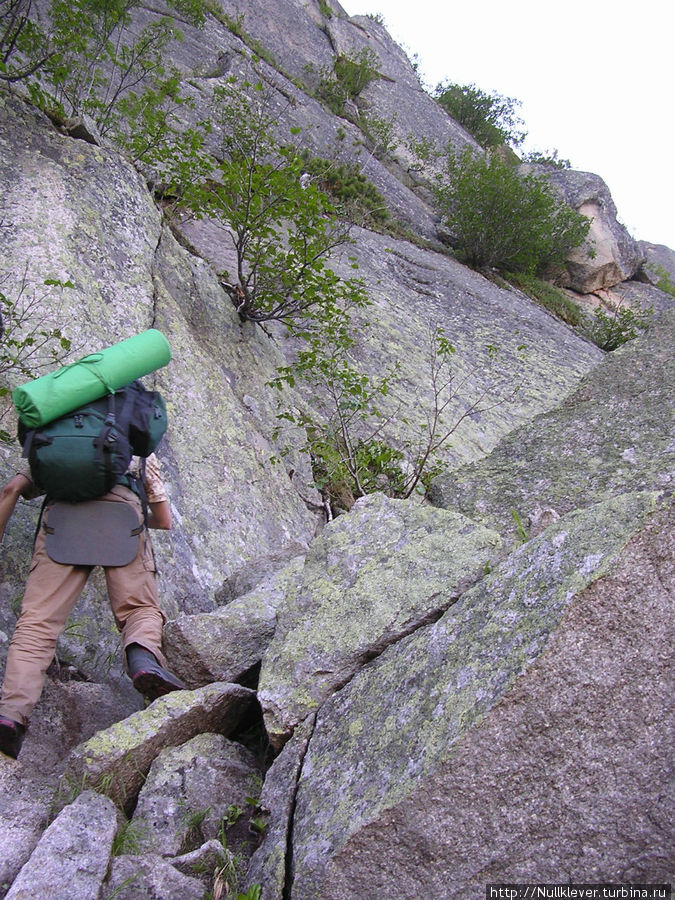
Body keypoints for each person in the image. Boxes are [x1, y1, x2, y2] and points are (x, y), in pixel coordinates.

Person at [0, 452, 185, 760]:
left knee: (37, 624)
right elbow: (163, 520)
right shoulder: (136, 444)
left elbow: (11, 489)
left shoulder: (57, 434)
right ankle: (143, 659)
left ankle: (11, 715)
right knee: (139, 609)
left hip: (63, 519)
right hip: (123, 517)